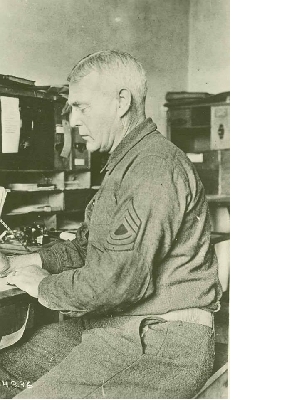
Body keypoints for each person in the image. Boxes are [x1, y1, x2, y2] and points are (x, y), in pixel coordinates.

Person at [0, 50, 222, 398]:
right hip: (116, 326)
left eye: (81, 107)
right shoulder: (126, 163)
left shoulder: (153, 168)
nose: (73, 120)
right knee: (5, 373)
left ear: (121, 102)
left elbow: (115, 282)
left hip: (158, 341)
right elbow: (87, 248)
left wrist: (43, 286)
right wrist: (22, 262)